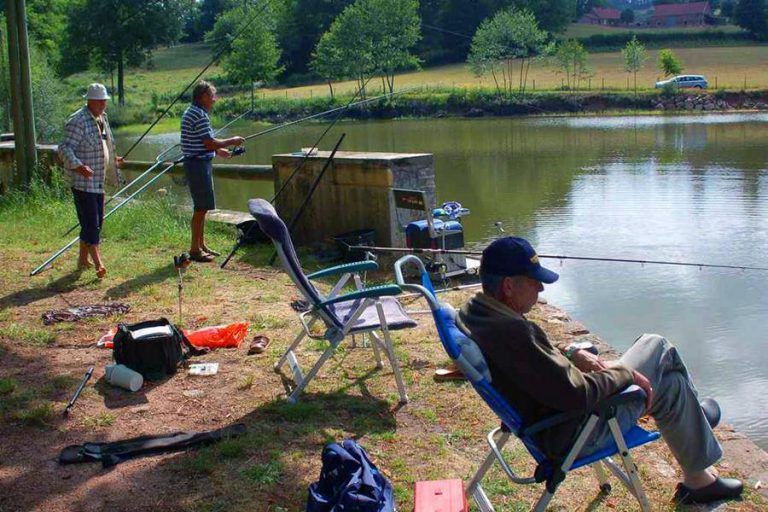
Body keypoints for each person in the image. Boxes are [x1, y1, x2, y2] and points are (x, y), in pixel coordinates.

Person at [457, 236, 743, 505]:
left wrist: (571, 352)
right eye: (534, 282)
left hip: (554, 420)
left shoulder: (478, 312)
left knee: (669, 383)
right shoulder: (514, 332)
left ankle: (696, 453)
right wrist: (625, 374)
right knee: (657, 346)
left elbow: (535, 358)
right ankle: (695, 428)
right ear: (508, 286)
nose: (541, 289)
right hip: (581, 428)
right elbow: (576, 394)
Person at [58, 83, 123, 279]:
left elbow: (105, 144)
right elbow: (64, 149)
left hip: (98, 182)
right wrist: (78, 166)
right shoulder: (78, 121)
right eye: (100, 100)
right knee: (91, 224)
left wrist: (113, 159)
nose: (103, 104)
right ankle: (98, 263)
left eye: (105, 100)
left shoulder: (101, 118)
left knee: (94, 222)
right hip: (82, 182)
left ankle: (82, 260)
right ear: (90, 101)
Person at [180, 81, 244, 262]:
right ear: (202, 97)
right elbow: (208, 141)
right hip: (198, 165)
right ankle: (195, 250)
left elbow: (203, 142)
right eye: (211, 96)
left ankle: (201, 245)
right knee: (200, 209)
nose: (214, 100)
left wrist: (217, 150)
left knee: (203, 207)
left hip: (198, 162)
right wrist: (232, 141)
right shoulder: (199, 114)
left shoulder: (193, 111)